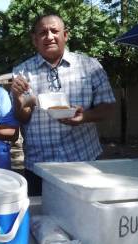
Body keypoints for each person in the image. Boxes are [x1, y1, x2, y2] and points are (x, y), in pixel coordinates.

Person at [11, 14, 116, 195]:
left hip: (84, 162)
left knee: (85, 216)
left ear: (65, 35)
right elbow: (23, 116)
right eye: (43, 33)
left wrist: (85, 117)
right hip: (39, 167)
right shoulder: (22, 72)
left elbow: (108, 108)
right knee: (42, 219)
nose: (49, 36)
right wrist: (18, 100)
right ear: (35, 40)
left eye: (54, 31)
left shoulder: (90, 66)